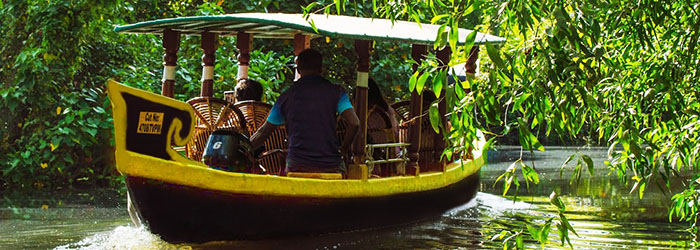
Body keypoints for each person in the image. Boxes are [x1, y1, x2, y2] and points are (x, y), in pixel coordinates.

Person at [250, 49, 360, 174]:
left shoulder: (286, 96)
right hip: (331, 165)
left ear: (298, 70)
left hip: (297, 164)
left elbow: (264, 132)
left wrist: (244, 149)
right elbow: (354, 123)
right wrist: (344, 149)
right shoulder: (337, 92)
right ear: (321, 68)